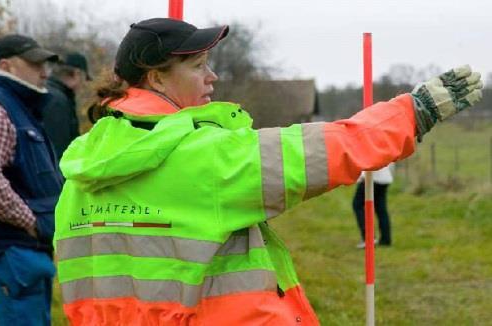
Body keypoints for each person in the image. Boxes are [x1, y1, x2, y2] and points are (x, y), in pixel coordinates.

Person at [54, 18, 483, 325]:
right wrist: (413, 112)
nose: (213, 76)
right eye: (198, 65)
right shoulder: (203, 157)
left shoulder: (81, 167)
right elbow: (326, 149)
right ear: (157, 79)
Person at [0, 34, 63, 325]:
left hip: (24, 251)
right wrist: (32, 223)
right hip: (15, 250)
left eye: (45, 63)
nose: (44, 71)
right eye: (34, 63)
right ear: (6, 65)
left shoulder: (15, 104)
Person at [42, 52, 91, 160]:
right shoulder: (57, 102)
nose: (84, 85)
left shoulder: (48, 93)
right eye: (84, 79)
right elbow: (59, 150)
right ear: (77, 74)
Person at [353, 163, 395, 248]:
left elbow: (366, 160)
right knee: (381, 209)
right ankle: (386, 239)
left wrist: (361, 176)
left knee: (357, 205)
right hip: (384, 178)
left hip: (371, 179)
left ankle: (368, 238)